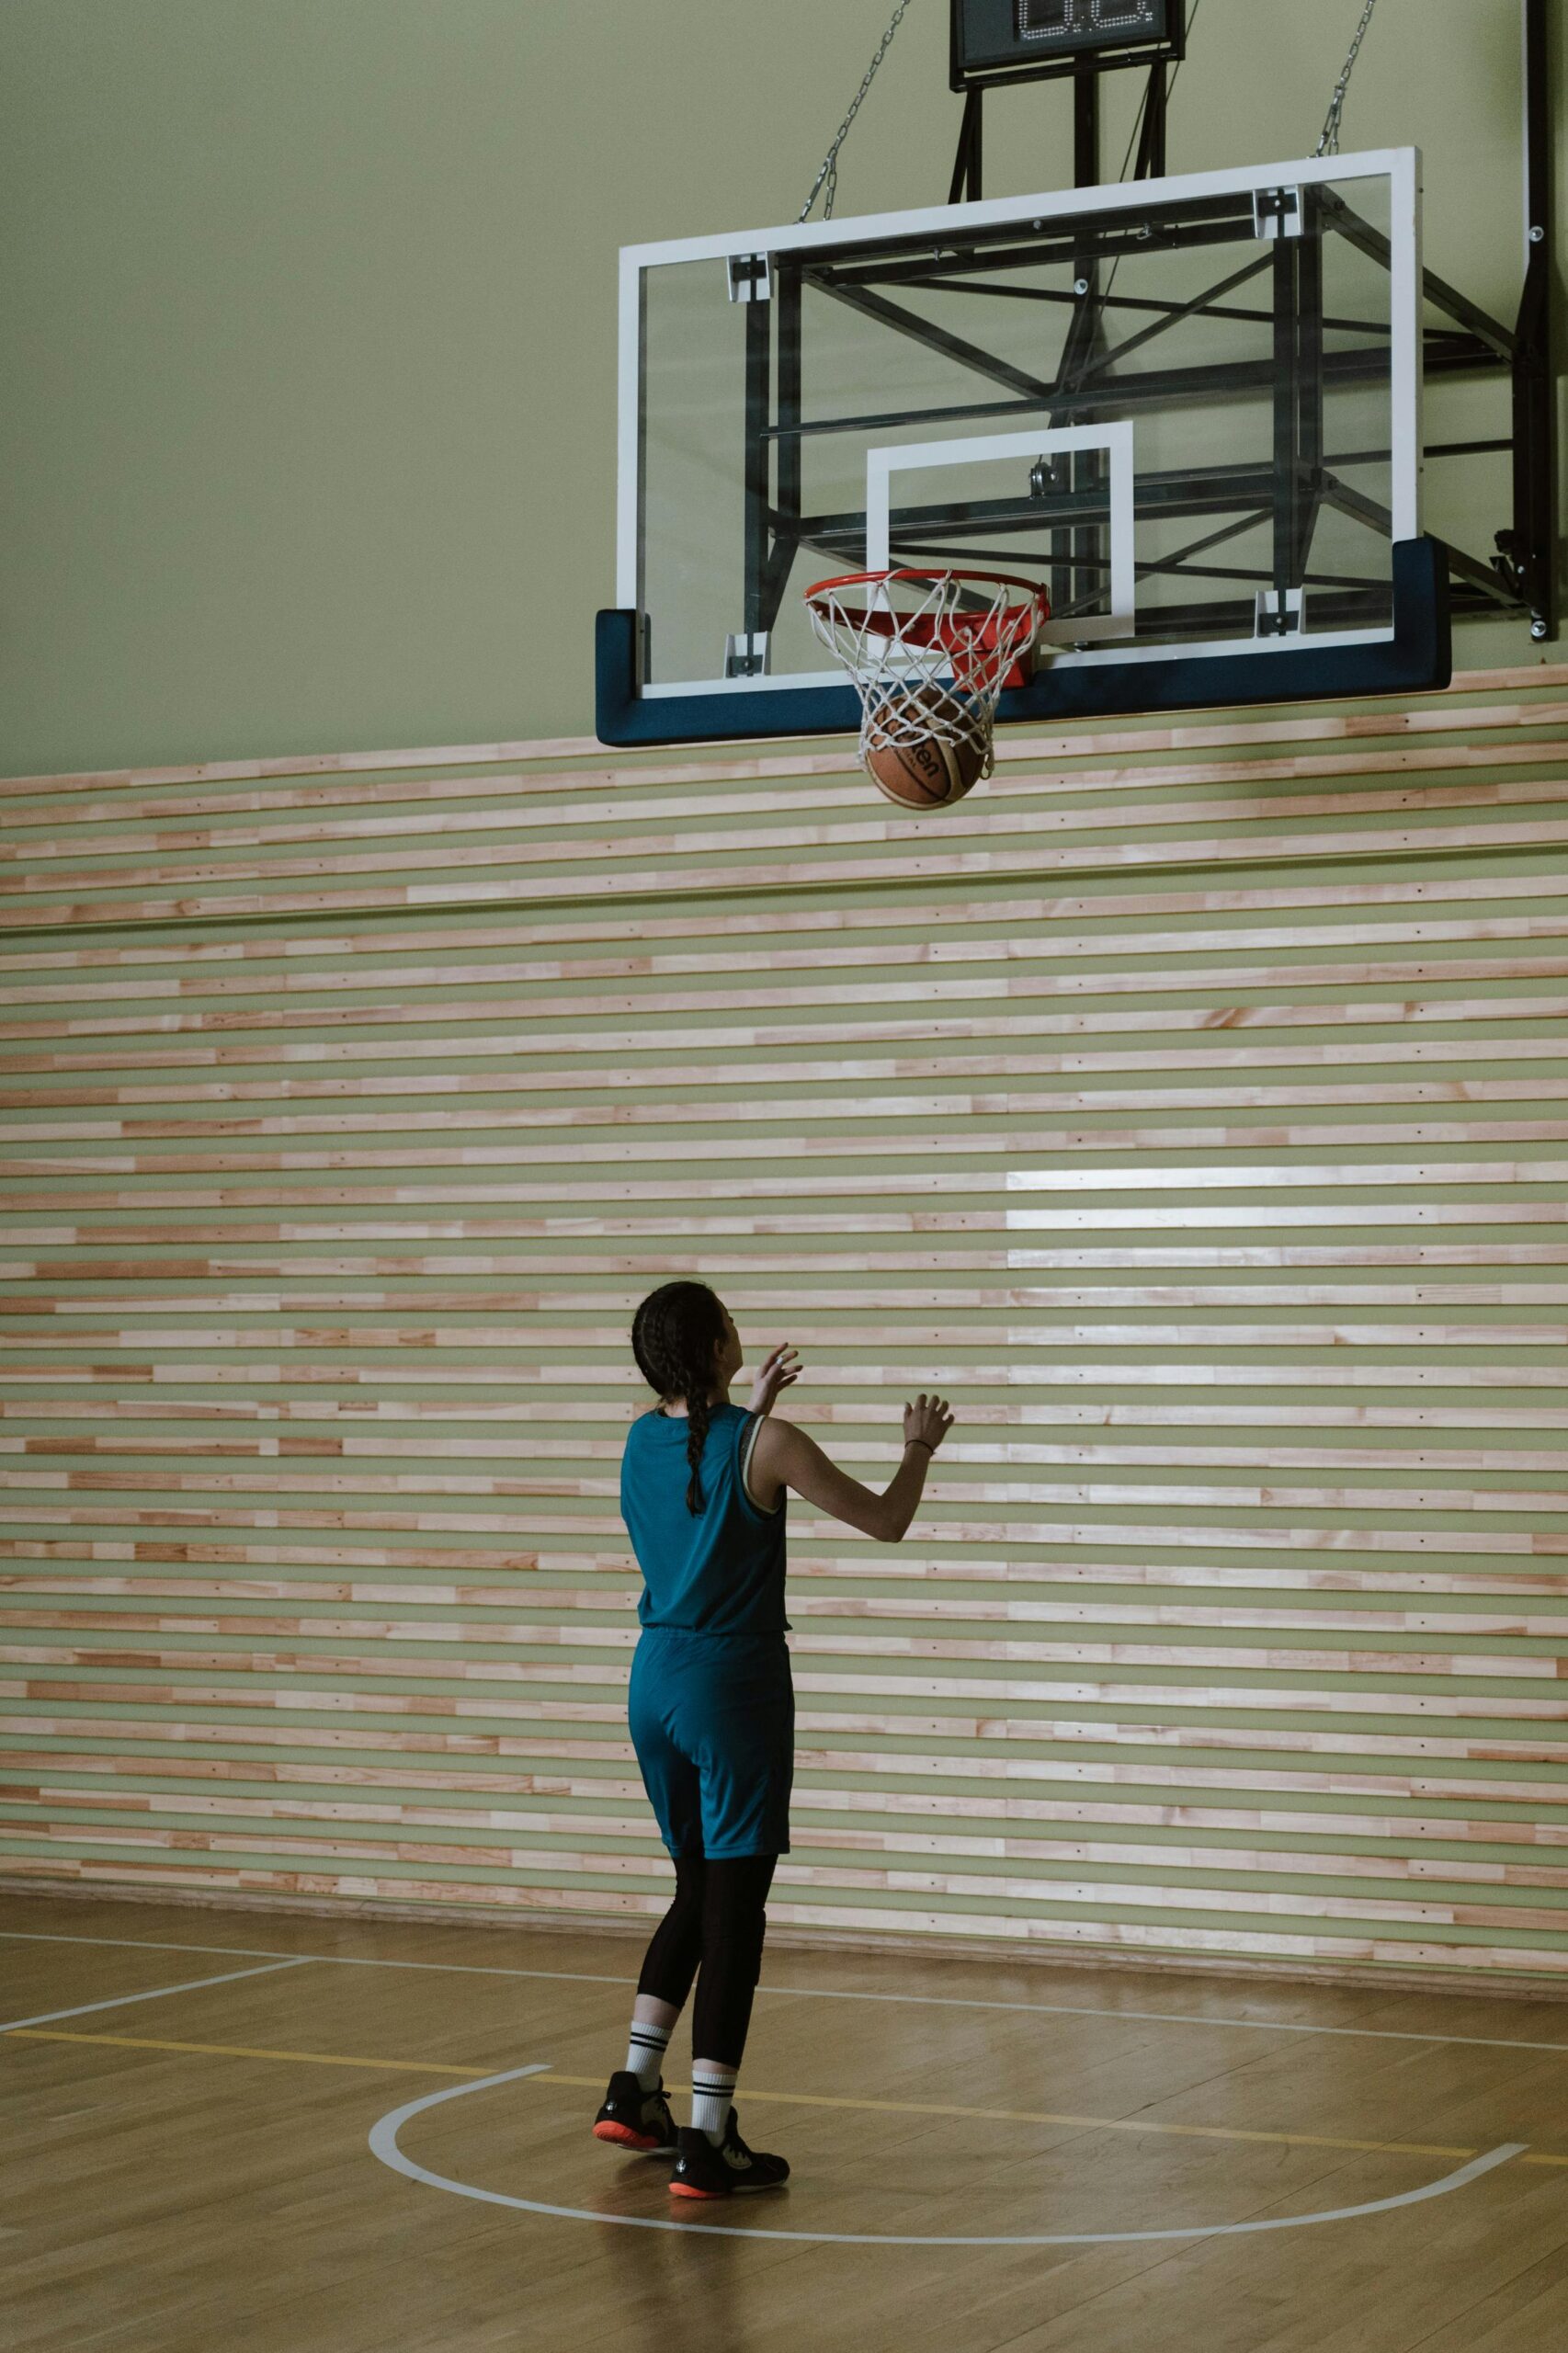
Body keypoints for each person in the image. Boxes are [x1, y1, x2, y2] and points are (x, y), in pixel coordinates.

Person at [592, 1278, 955, 2199]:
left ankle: (633, 2087)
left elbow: (703, 1475)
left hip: (653, 1684)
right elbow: (887, 1519)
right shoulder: (772, 1446)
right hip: (731, 1686)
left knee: (693, 1885)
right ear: (719, 1345)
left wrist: (749, 1411)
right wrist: (916, 1450)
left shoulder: (639, 1438)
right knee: (734, 1911)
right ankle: (708, 2138)